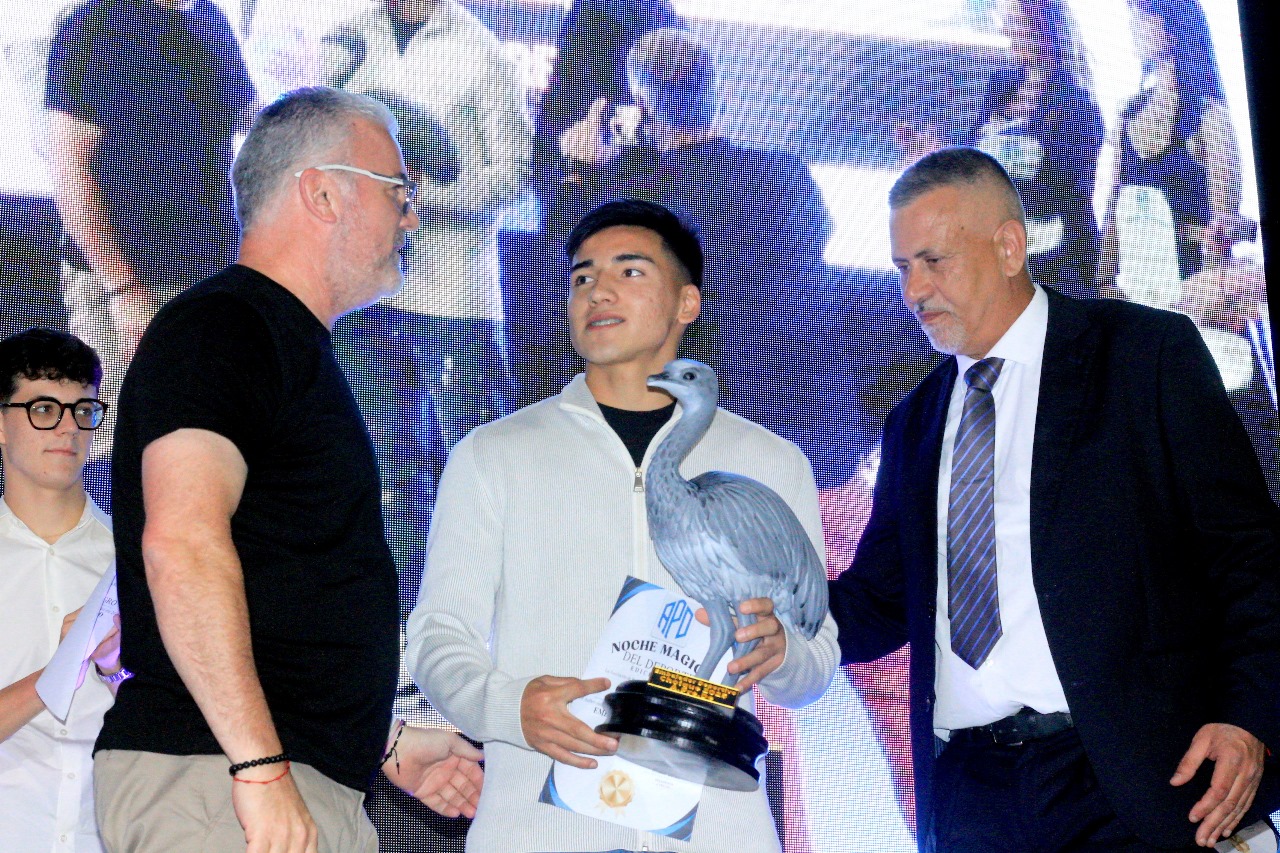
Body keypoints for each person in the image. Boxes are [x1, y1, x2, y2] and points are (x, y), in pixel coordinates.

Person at [829, 147, 1280, 852]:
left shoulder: (1142, 354)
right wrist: (778, 614)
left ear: (1010, 246)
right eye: (901, 268)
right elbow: (880, 603)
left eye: (933, 261)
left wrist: (1249, 716)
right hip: (971, 795)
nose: (914, 290)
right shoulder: (912, 421)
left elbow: (1250, 555)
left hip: (1129, 783)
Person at [92, 87, 483, 853]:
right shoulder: (225, 325)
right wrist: (263, 769)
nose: (411, 216)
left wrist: (381, 739)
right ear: (323, 191)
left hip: (265, 779)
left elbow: (283, 588)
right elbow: (184, 545)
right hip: (223, 785)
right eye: (399, 191)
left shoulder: (283, 345)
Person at [407, 199, 838, 852]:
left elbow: (817, 661)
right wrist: (508, 705)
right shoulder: (493, 454)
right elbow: (438, 637)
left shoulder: (770, 462)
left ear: (686, 302)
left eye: (629, 271)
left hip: (718, 833)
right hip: (539, 831)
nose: (598, 290)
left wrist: (783, 653)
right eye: (582, 277)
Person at [320, 0, 531, 601]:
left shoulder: (479, 51)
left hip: (454, 297)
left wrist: (428, 199)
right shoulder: (350, 40)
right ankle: (387, 602)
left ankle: (459, 606)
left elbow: (514, 171)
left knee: (463, 460)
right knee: (370, 450)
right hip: (367, 296)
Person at [547, 28, 831, 419]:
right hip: (801, 398)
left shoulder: (634, 200)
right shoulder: (785, 174)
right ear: (717, 92)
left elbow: (563, 265)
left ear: (642, 105)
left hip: (684, 407)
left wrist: (578, 171)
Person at [44, 0, 257, 466]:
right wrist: (124, 289)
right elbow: (70, 170)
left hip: (208, 281)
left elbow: (243, 134)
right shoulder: (93, 24)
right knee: (117, 452)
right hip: (121, 286)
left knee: (202, 451)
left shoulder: (211, 19)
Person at [0, 328, 123, 852]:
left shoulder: (134, 557)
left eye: (83, 410)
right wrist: (61, 669)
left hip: (112, 834)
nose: (69, 428)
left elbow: (183, 721)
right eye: (44, 409)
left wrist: (120, 667)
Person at [1097, 0, 1249, 297]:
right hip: (1134, 289)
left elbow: (1224, 222)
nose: (1135, 26)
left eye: (1144, 16)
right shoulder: (1127, 111)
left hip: (1191, 287)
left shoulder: (1209, 115)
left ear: (1171, 23)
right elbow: (1113, 210)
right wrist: (1104, 282)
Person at [968, 0, 1103, 299]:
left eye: (1017, 21)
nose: (1008, 31)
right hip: (995, 258)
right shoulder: (1000, 85)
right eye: (1006, 21)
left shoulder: (1076, 105)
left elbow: (1069, 188)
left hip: (1055, 263)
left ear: (1045, 27)